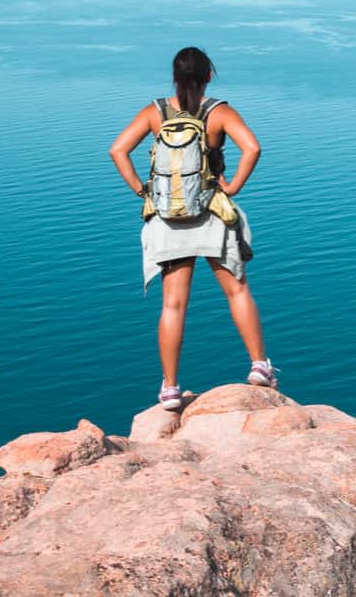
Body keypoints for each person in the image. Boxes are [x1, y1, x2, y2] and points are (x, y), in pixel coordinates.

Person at [109, 46, 275, 409]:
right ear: (208, 76)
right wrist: (232, 187)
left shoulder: (155, 112)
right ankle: (259, 367)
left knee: (173, 304)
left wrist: (144, 190)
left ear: (175, 76)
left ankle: (169, 388)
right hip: (211, 211)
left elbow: (117, 150)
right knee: (237, 291)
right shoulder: (218, 112)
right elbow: (253, 148)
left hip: (168, 217)